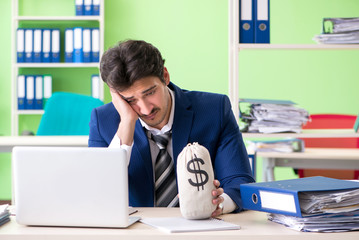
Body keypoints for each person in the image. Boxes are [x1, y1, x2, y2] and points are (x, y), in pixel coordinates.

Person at [88, 40, 255, 217]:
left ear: (165, 76)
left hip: (202, 228)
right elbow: (98, 192)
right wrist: (127, 123)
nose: (145, 109)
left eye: (150, 92)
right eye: (130, 100)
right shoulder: (103, 121)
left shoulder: (214, 110)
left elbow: (240, 182)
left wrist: (221, 204)